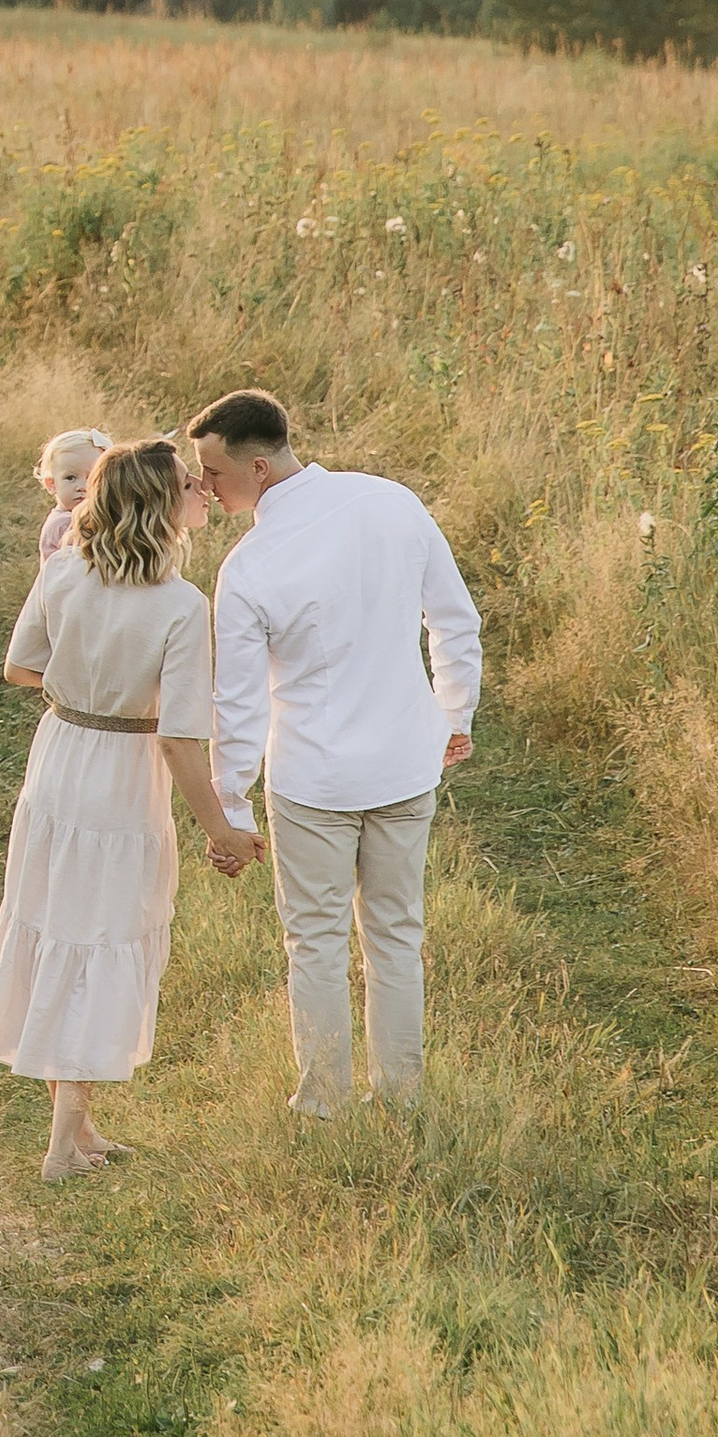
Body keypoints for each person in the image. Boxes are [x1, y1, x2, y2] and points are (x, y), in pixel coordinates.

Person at [188, 388, 480, 1120]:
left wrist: (230, 803)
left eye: (213, 473)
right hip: (404, 760)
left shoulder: (249, 567)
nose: (203, 487)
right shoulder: (392, 501)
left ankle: (323, 1101)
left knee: (314, 941)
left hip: (314, 776)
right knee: (396, 932)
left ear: (257, 467)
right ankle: (402, 1097)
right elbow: (455, 620)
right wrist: (452, 713)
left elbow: (241, 703)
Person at [0, 436, 260, 1182]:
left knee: (57, 931)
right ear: (160, 505)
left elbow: (18, 666)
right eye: (188, 485)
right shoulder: (179, 606)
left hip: (60, 757)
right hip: (122, 776)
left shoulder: (64, 570)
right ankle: (57, 1150)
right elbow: (178, 740)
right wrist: (222, 831)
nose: (203, 490)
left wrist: (80, 681)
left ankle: (79, 1131)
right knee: (99, 940)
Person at [32, 425, 112, 568]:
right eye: (70, 478)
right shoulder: (63, 524)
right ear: (52, 484)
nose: (82, 486)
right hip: (65, 588)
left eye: (91, 478)